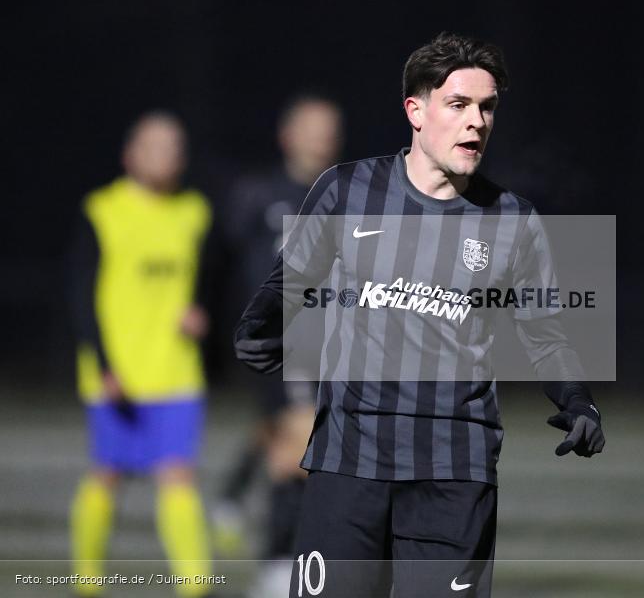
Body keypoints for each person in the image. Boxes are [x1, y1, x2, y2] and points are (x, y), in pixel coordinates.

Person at [234, 33, 605, 597]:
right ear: (416, 109)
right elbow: (285, 290)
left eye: (487, 108)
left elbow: (544, 331)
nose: (476, 121)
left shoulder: (512, 220)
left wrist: (576, 398)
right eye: (459, 105)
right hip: (347, 462)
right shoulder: (345, 191)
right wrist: (260, 342)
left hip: (455, 473)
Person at [68, 111, 214, 598]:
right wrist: (106, 367)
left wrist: (201, 313)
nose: (168, 155)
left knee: (178, 475)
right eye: (156, 146)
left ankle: (196, 587)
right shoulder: (102, 210)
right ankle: (86, 583)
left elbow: (211, 280)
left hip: (176, 371)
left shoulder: (194, 211)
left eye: (175, 146)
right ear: (131, 154)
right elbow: (80, 296)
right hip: (119, 375)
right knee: (106, 477)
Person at [212, 94, 343, 596]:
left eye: (329, 128)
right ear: (287, 135)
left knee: (296, 448)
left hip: (334, 347)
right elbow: (223, 266)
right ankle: (276, 564)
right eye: (311, 127)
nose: (322, 137)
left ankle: (236, 502)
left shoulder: (350, 196)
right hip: (280, 345)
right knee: (300, 446)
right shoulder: (257, 196)